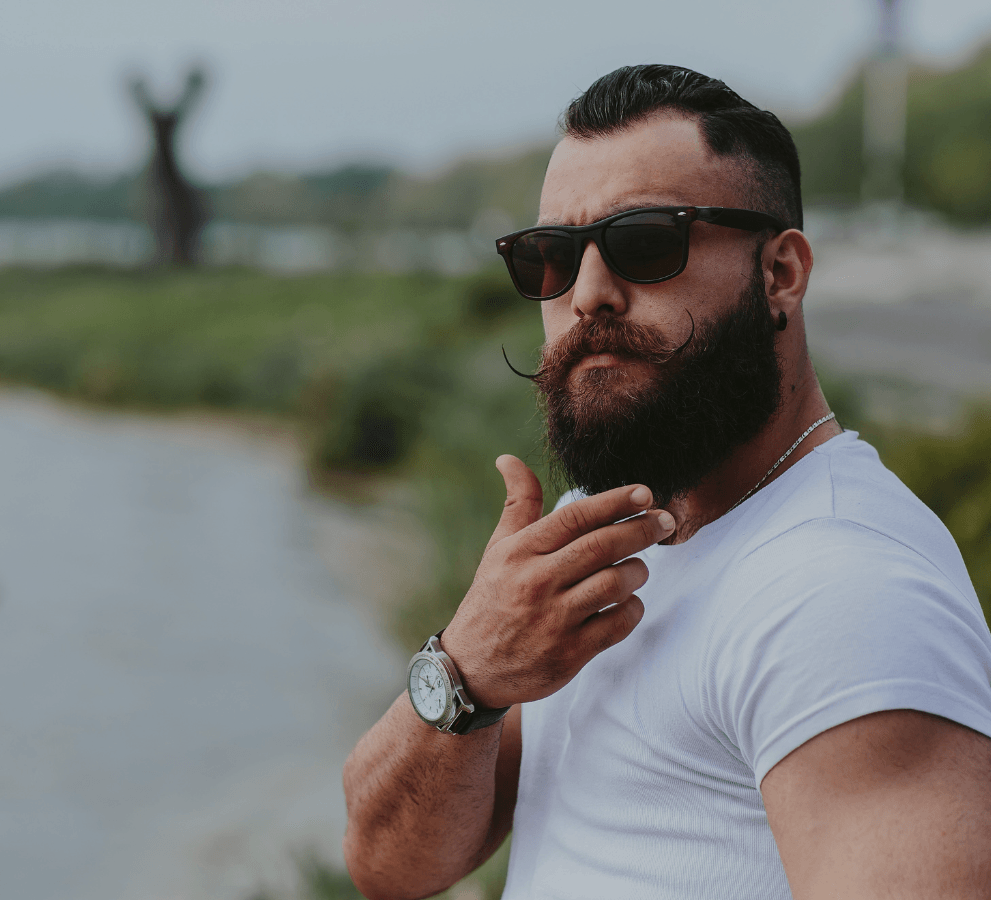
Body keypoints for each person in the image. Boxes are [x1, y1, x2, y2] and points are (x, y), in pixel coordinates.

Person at [341, 65, 991, 900]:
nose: (588, 295)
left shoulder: (843, 592)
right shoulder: (600, 530)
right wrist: (467, 670)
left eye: (646, 243)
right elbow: (391, 866)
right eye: (551, 258)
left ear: (780, 274)